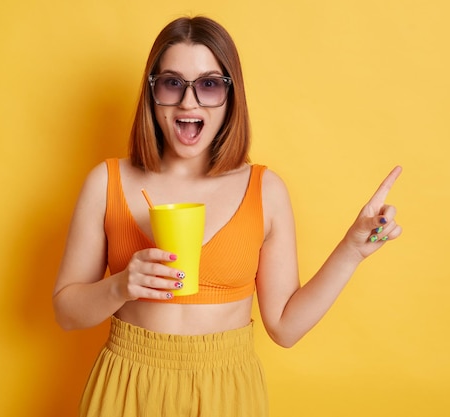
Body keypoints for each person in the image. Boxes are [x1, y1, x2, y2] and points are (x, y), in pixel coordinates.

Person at [52, 15, 402, 417]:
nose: (189, 102)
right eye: (172, 83)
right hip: (128, 384)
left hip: (227, 390)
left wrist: (352, 250)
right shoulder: (106, 182)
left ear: (230, 95)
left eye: (209, 84)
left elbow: (285, 328)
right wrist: (120, 286)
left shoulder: (266, 190)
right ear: (152, 93)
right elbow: (65, 313)